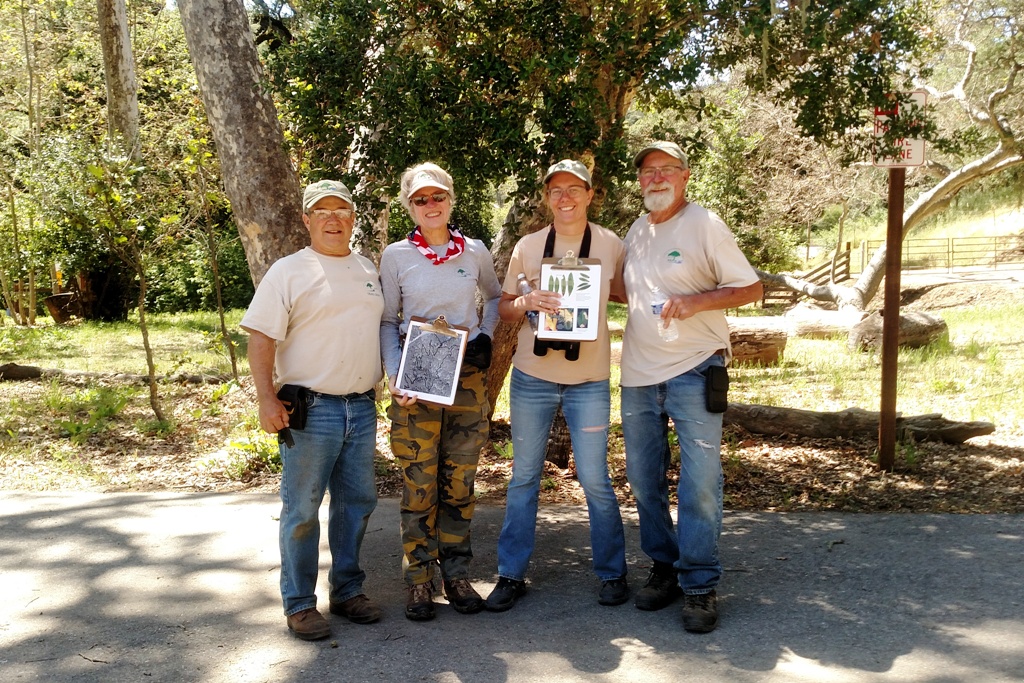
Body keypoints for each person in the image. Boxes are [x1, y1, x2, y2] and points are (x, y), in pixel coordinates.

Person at [620, 142, 763, 633]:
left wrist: (696, 303)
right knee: (643, 479)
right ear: (640, 182)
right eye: (647, 172)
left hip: (695, 368)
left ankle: (699, 584)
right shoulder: (637, 231)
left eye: (665, 170)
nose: (655, 178)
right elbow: (627, 291)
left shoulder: (705, 224)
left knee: (699, 483)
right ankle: (665, 568)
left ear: (684, 176)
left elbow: (751, 288)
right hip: (638, 374)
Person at [240, 180, 385, 641]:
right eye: (321, 210)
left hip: (361, 408)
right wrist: (265, 397)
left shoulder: (367, 269)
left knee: (356, 504)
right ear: (306, 219)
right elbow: (261, 338)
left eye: (341, 209)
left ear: (352, 217)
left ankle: (346, 591)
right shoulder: (288, 271)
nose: (332, 217)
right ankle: (299, 603)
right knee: (301, 509)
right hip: (312, 409)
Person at [485, 159, 629, 612]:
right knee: (524, 477)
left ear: (590, 194)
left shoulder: (611, 244)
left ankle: (613, 572)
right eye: (556, 190)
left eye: (574, 189)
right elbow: (504, 308)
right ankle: (510, 575)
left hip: (589, 380)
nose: (565, 197)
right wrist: (527, 299)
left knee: (595, 480)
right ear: (547, 197)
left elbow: (629, 293)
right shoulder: (529, 246)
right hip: (533, 377)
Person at [379, 162, 502, 621]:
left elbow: (493, 296)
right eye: (420, 199)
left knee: (460, 482)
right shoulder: (395, 257)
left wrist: (485, 335)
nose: (430, 206)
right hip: (417, 379)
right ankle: (418, 581)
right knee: (419, 485)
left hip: (465, 380)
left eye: (438, 197)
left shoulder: (473, 251)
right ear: (409, 205)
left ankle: (457, 575)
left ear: (451, 199)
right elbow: (388, 321)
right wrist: (395, 375)